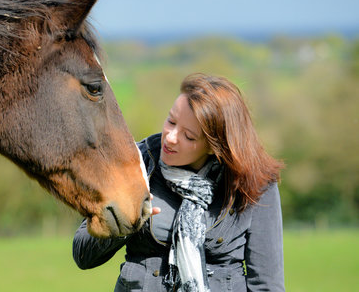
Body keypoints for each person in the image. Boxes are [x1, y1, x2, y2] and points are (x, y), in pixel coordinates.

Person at [72, 73, 285, 291]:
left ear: (215, 146)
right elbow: (82, 255)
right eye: (171, 121)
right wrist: (126, 223)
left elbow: (267, 284)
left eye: (189, 136)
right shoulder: (136, 164)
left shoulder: (256, 183)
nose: (171, 137)